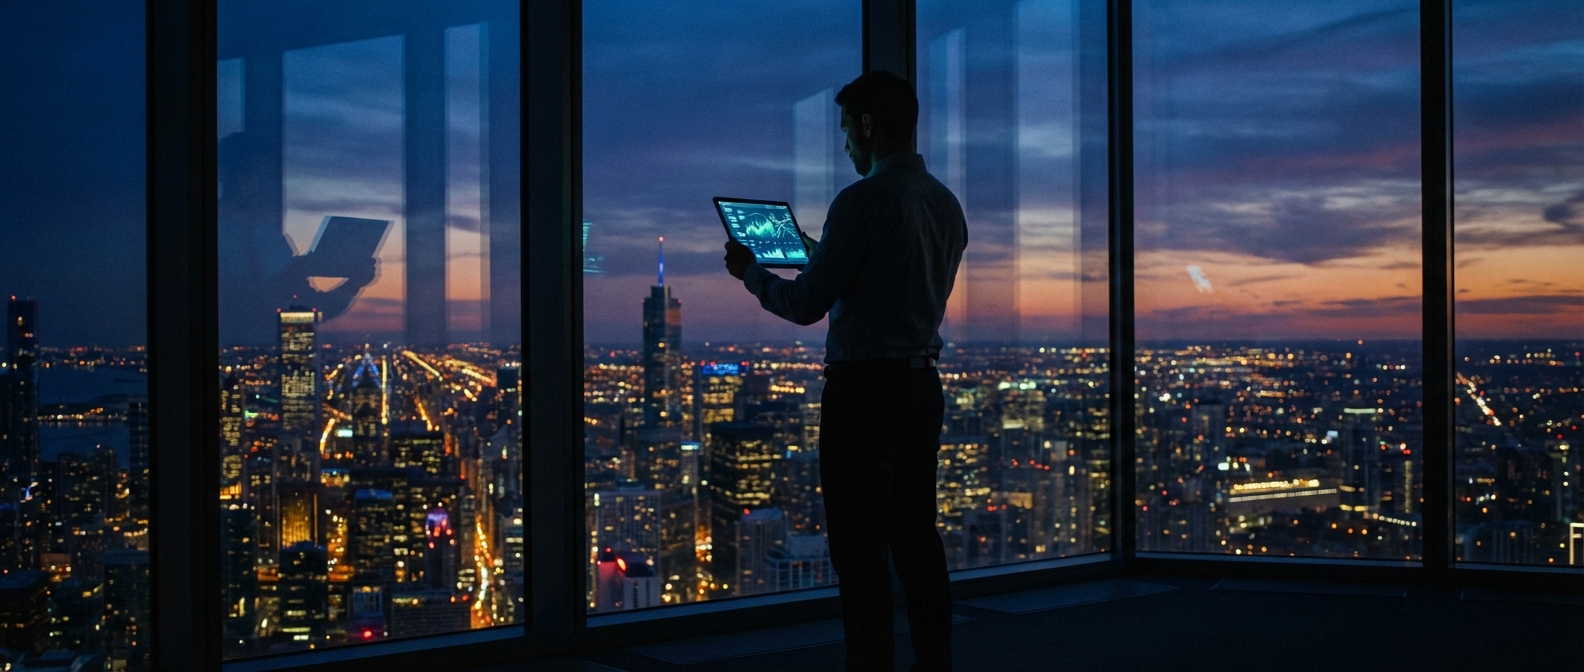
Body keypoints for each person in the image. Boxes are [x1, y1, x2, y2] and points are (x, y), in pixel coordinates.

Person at [723, 70, 967, 672]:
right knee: (915, 538)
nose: (845, 146)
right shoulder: (944, 204)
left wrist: (752, 274)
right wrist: (820, 247)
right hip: (920, 385)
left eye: (846, 131)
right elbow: (885, 273)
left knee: (859, 550)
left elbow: (805, 304)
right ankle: (934, 662)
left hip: (865, 393)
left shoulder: (860, 203)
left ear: (866, 125)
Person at [218, 131, 377, 345]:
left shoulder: (272, 240)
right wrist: (297, 272)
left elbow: (310, 309)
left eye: (266, 178)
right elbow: (238, 308)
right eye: (251, 174)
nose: (261, 186)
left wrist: (353, 284)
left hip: (272, 364)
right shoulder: (208, 233)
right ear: (224, 173)